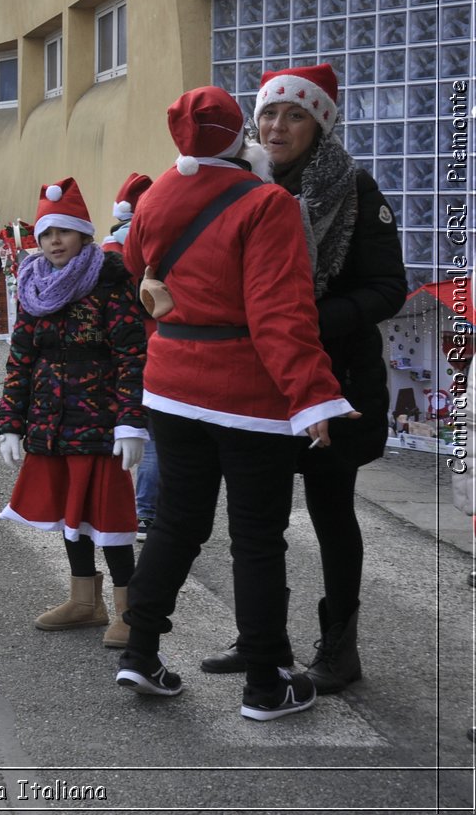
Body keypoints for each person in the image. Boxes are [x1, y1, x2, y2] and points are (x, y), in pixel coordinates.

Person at [116, 85, 357, 722]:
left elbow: (144, 283)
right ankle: (266, 683)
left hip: (171, 385)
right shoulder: (267, 203)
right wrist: (313, 398)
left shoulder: (155, 194)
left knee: (176, 523)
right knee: (256, 537)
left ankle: (139, 651)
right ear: (238, 136)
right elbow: (280, 312)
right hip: (246, 395)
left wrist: (165, 344)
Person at [197, 64, 406, 693]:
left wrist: (303, 316)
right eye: (267, 114)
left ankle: (340, 645)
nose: (276, 125)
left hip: (332, 377)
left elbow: (387, 289)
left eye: (294, 115)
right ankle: (264, 638)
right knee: (256, 516)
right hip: (257, 378)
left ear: (319, 124)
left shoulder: (354, 188)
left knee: (329, 509)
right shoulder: (238, 182)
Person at [0, 178, 147, 649]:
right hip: (51, 423)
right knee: (69, 517)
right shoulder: (34, 287)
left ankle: (131, 611)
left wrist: (130, 420)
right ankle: (86, 600)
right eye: (46, 234)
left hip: (100, 425)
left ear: (83, 235)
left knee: (112, 522)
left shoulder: (109, 284)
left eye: (63, 232)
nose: (54, 242)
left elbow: (131, 356)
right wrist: (10, 423)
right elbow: (20, 359)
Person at [102, 173, 159, 541]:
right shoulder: (160, 243)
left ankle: (113, 508)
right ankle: (146, 512)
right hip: (158, 344)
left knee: (122, 428)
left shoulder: (107, 252)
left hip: (118, 350)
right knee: (154, 437)